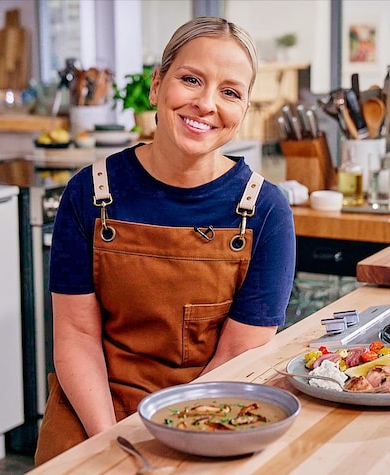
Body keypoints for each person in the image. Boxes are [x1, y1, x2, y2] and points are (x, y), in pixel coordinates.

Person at [34, 17, 296, 465]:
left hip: (210, 417)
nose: (206, 103)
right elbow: (76, 335)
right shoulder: (89, 192)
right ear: (157, 86)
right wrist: (112, 441)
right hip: (90, 414)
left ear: (244, 110)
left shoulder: (266, 211)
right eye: (191, 79)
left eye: (230, 92)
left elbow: (237, 354)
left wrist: (179, 435)